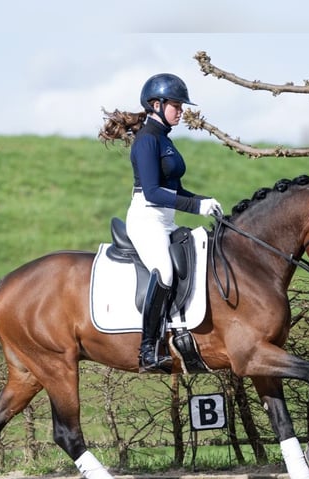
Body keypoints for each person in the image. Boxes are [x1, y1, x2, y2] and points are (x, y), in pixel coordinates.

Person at [99, 73, 222, 373]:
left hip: (165, 220)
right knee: (164, 272)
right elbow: (153, 192)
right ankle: (148, 350)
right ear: (156, 104)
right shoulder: (146, 141)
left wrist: (204, 201)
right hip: (145, 219)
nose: (181, 110)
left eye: (181, 105)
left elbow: (175, 191)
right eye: (176, 105)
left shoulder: (163, 139)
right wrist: (196, 205)